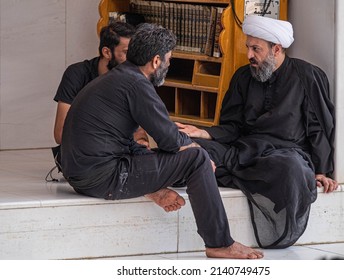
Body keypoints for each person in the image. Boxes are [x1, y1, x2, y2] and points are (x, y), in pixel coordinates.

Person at [60, 23, 263, 259]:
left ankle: (153, 189)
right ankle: (219, 243)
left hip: (81, 174)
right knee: (196, 158)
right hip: (101, 177)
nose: (168, 65)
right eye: (168, 60)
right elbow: (170, 140)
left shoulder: (120, 77)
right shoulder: (137, 84)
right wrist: (200, 152)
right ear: (156, 61)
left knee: (147, 149)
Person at [176, 15, 338, 249]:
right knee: (184, 145)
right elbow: (232, 127)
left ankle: (222, 172)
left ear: (277, 49)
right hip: (243, 151)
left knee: (292, 170)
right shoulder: (243, 76)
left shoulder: (307, 76)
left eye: (256, 49)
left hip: (283, 156)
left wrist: (322, 170)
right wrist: (204, 134)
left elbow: (319, 128)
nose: (249, 55)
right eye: (248, 48)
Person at [50, 21, 148, 177]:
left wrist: (141, 142)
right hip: (84, 155)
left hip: (120, 151)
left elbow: (140, 131)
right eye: (127, 52)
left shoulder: (134, 78)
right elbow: (61, 134)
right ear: (107, 52)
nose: (134, 60)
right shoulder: (77, 74)